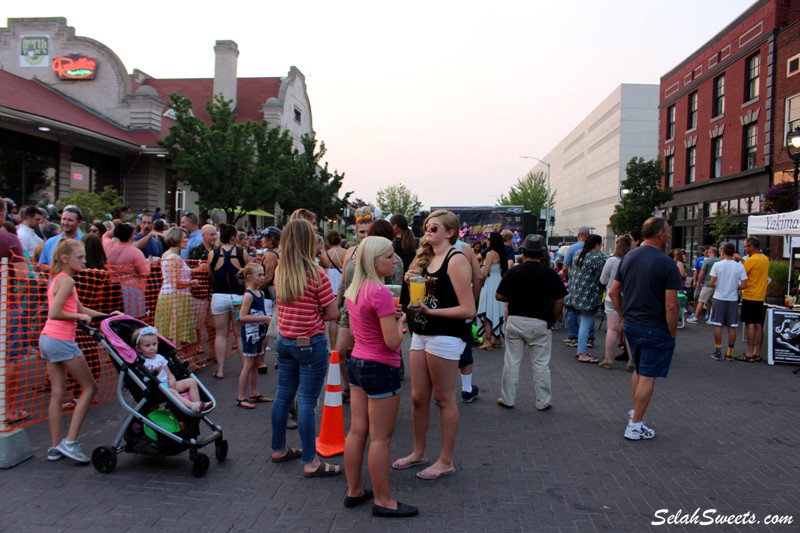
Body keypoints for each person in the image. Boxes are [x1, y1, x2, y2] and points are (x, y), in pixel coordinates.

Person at [392, 210, 475, 480]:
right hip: (420, 331)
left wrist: (432, 312)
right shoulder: (424, 255)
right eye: (427, 227)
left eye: (435, 228)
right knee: (417, 398)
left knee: (443, 398)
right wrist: (410, 279)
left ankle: (445, 460)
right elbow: (418, 289)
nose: (428, 231)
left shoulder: (456, 259)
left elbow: (468, 310)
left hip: (445, 335)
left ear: (450, 232)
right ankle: (419, 452)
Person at [342, 236, 417, 517]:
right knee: (380, 439)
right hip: (381, 367)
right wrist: (400, 322)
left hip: (357, 363)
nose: (394, 260)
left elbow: (359, 329)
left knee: (357, 430)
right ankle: (384, 501)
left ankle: (354, 490)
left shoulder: (355, 288)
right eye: (388, 256)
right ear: (374, 261)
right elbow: (391, 342)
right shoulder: (381, 292)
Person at [270, 219, 341, 477]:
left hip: (285, 341)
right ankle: (311, 462)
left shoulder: (280, 270)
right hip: (310, 343)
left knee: (283, 395)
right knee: (308, 402)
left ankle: (278, 448)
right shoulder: (316, 274)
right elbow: (332, 312)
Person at [39, 239, 115, 463]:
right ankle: (70, 441)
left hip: (48, 339)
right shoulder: (68, 281)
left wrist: (107, 316)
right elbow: (56, 312)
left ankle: (55, 446)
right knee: (90, 387)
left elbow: (79, 308)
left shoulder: (58, 279)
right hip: (61, 339)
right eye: (80, 257)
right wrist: (78, 317)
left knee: (57, 393)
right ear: (65, 259)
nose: (84, 261)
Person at [609, 217, 681, 441]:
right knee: (648, 375)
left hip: (632, 324)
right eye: (668, 232)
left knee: (640, 371)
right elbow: (671, 304)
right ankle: (635, 424)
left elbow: (613, 292)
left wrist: (623, 315)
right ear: (660, 234)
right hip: (655, 325)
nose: (669, 235)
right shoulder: (667, 263)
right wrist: (672, 331)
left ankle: (636, 413)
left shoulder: (629, 257)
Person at [495, 234, 566, 410]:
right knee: (541, 364)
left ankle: (508, 398)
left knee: (512, 362)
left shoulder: (515, 271)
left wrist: (515, 296)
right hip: (540, 322)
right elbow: (560, 300)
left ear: (524, 252)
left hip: (516, 320)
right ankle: (543, 401)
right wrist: (553, 320)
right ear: (542, 253)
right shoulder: (549, 273)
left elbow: (499, 295)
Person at [334, 205, 375, 400]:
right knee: (340, 352)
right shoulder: (349, 252)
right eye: (361, 232)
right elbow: (343, 281)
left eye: (368, 232)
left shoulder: (378, 252)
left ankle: (367, 390)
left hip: (369, 312)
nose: (364, 236)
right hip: (348, 310)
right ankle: (347, 387)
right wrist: (336, 306)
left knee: (367, 353)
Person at [132, 326, 212, 412]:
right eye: (147, 346)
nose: (152, 348)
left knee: (191, 381)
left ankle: (198, 404)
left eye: (154, 344)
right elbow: (144, 377)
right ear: (138, 349)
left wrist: (172, 379)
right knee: (172, 392)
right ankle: (193, 406)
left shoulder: (160, 357)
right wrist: (153, 372)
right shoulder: (142, 362)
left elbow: (169, 373)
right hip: (157, 390)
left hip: (168, 384)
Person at [207, 224, 247, 379]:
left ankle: (220, 370)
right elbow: (249, 271)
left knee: (221, 334)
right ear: (233, 237)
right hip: (237, 297)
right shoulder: (241, 253)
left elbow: (211, 273)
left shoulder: (212, 254)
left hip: (219, 296)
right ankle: (245, 366)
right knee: (239, 334)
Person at [235, 263, 272, 409]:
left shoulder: (260, 293)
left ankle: (254, 393)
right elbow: (242, 317)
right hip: (250, 334)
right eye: (260, 275)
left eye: (263, 274)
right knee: (248, 364)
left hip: (258, 333)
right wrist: (264, 318)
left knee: (256, 363)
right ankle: (241, 396)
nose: (263, 277)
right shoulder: (248, 295)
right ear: (249, 277)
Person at [154, 227, 198, 348]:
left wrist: (195, 270)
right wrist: (192, 283)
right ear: (177, 238)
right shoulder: (174, 258)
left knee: (172, 331)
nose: (187, 240)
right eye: (184, 237)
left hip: (172, 296)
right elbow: (176, 282)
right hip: (176, 298)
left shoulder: (170, 256)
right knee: (176, 332)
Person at [566, 234, 605, 363]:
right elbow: (602, 277)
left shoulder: (578, 254)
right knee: (586, 324)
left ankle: (581, 350)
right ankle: (582, 352)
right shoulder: (595, 259)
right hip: (589, 297)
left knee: (583, 323)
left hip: (576, 294)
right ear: (597, 245)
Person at [707, 242, 747, 361]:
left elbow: (712, 283)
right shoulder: (739, 266)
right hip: (733, 298)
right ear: (734, 252)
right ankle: (730, 352)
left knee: (718, 324)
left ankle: (718, 351)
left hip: (719, 297)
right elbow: (744, 285)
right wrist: (735, 286)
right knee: (732, 326)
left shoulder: (717, 265)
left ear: (722, 252)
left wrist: (720, 285)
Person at [599, 236, 633, 369]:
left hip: (611, 297)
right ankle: (631, 360)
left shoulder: (612, 260)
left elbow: (603, 280)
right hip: (628, 297)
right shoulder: (631, 260)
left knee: (612, 328)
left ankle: (608, 358)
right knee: (628, 329)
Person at [103, 223, 149, 319]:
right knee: (134, 321)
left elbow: (105, 235)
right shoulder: (135, 252)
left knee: (114, 319)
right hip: (133, 290)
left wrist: (116, 230)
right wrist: (149, 263)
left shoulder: (108, 246)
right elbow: (145, 272)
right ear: (132, 236)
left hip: (113, 289)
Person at [562, 226, 595, 348]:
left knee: (573, 310)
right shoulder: (592, 249)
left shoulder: (573, 248)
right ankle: (590, 338)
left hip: (575, 284)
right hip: (590, 285)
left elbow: (565, 268)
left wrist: (567, 279)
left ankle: (573, 336)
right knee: (588, 312)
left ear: (579, 234)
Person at [737, 237, 768, 362]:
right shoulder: (765, 259)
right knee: (758, 324)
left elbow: (743, 274)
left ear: (751, 247)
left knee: (750, 323)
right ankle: (757, 352)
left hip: (750, 294)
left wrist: (739, 260)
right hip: (760, 295)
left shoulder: (751, 260)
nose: (745, 249)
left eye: (745, 247)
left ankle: (749, 352)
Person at [476, 231, 507, 350]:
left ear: (493, 241)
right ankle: (497, 339)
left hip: (490, 284)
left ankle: (488, 341)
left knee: (487, 311)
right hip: (498, 282)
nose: (486, 241)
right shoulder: (501, 253)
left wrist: (477, 272)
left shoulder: (490, 254)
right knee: (496, 311)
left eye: (488, 239)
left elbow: (484, 273)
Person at [319, 229, 347, 347]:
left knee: (333, 320)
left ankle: (333, 346)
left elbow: (321, 270)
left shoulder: (324, 255)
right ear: (340, 239)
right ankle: (343, 346)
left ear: (328, 241)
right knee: (344, 318)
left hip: (330, 287)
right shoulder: (346, 252)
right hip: (343, 285)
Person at [687, 247, 719, 323]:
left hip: (708, 283)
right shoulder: (720, 261)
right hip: (717, 284)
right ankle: (711, 317)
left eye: (708, 252)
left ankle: (696, 317)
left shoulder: (707, 261)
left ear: (711, 252)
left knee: (701, 300)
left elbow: (702, 272)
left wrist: (698, 282)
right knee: (713, 301)